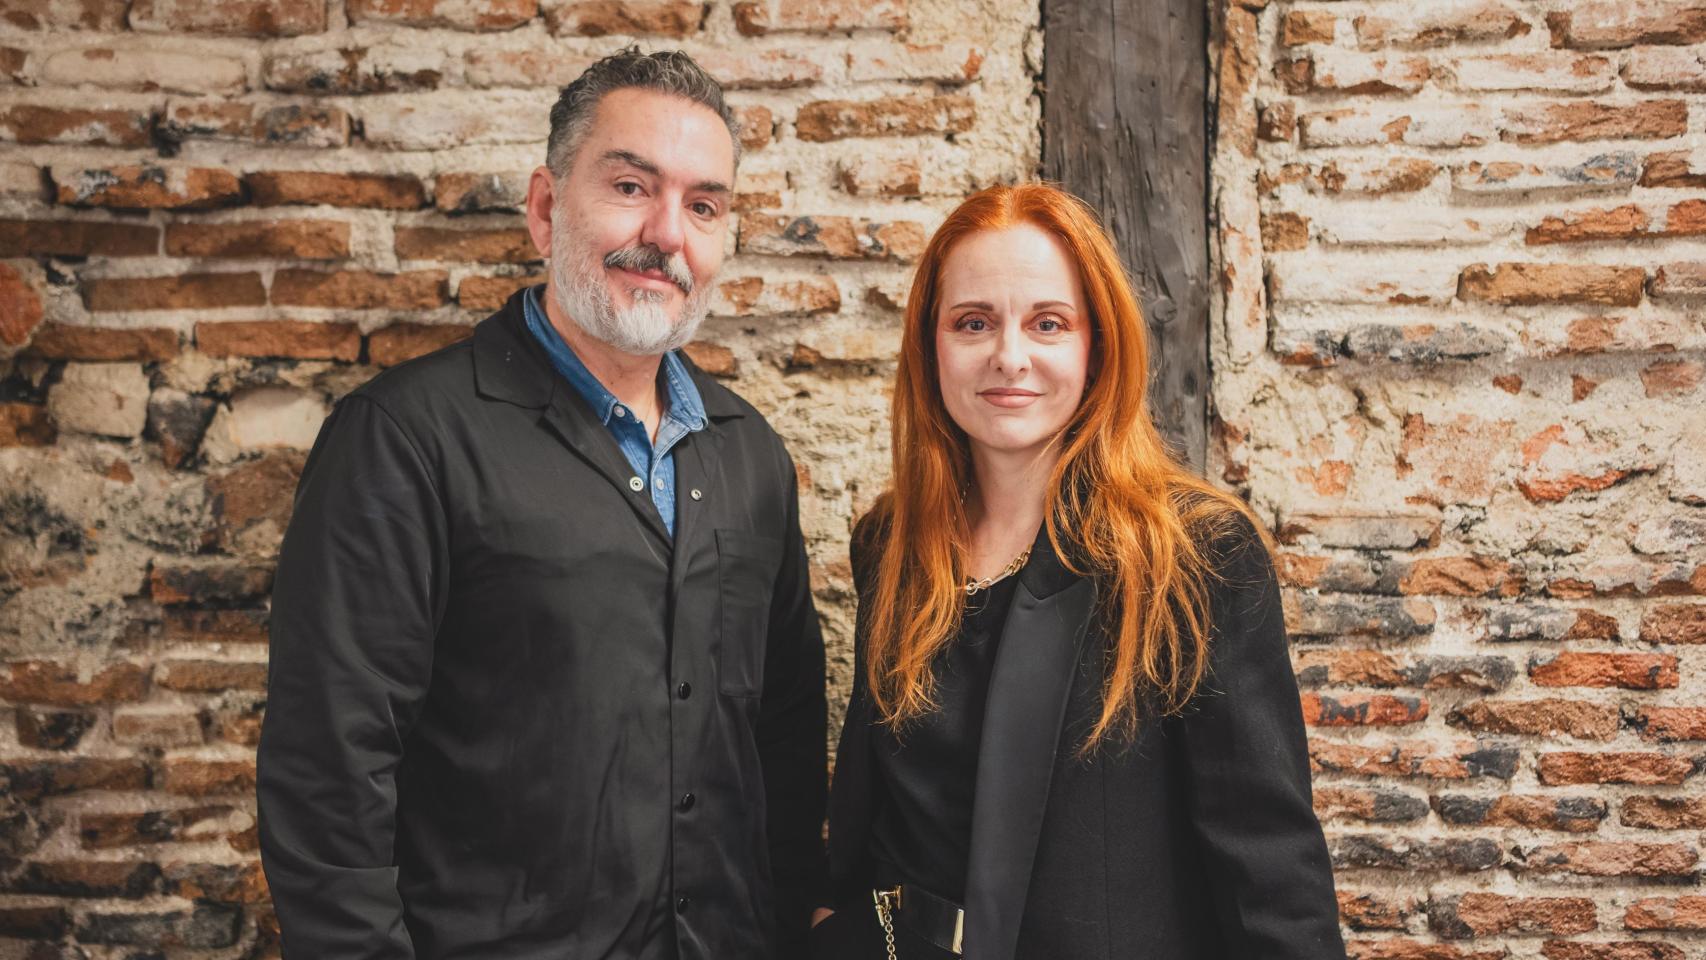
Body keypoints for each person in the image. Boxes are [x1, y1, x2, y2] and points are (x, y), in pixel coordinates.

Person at [257, 49, 827, 960]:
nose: (668, 235)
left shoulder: (752, 455)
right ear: (546, 207)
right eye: (632, 186)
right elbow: (329, 774)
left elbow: (787, 745)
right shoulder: (404, 440)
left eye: (703, 206)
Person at [813, 183, 1345, 960]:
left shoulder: (1193, 556)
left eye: (1048, 323)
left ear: (1098, 345)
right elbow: (873, 821)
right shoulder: (891, 542)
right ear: (931, 346)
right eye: (973, 323)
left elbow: (1269, 869)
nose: (1009, 356)